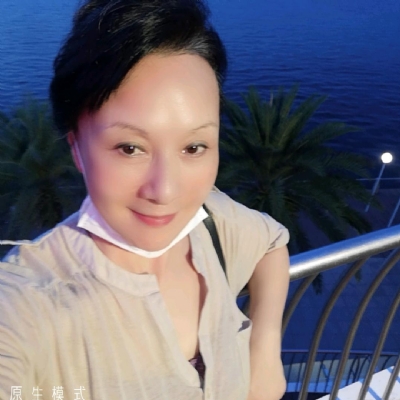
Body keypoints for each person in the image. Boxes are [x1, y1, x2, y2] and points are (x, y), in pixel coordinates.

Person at [0, 0, 290, 399]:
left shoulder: (212, 224)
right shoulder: (28, 302)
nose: (165, 191)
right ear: (76, 148)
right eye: (130, 148)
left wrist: (265, 349)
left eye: (194, 147)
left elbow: (271, 244)